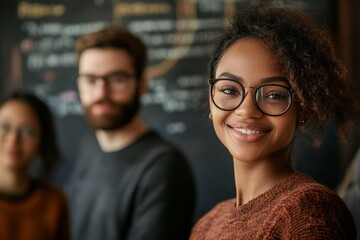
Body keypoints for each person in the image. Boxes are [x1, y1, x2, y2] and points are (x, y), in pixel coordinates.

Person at [190, 4, 358, 239]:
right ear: (211, 98)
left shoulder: (308, 210)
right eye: (229, 89)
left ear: (303, 109)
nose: (246, 110)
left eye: (273, 95)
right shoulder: (206, 225)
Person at [65, 25, 196, 240]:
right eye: (90, 80)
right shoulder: (90, 154)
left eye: (117, 79)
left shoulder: (163, 167)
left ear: (142, 84)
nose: (101, 93)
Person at [0, 90, 70, 240]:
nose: (13, 141)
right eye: (4, 127)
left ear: (42, 142)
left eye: (28, 131)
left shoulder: (55, 202)